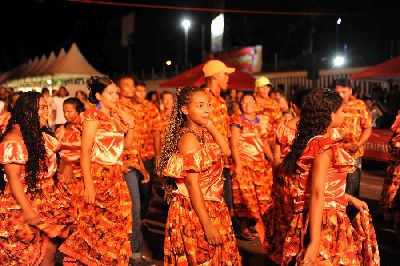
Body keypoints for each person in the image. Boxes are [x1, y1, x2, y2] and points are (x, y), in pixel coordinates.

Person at [280, 88, 379, 265]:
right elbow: (318, 193)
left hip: (321, 215)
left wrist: (349, 198)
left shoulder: (314, 141)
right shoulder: (323, 147)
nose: (345, 114)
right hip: (325, 220)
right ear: (330, 115)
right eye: (342, 110)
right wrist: (315, 242)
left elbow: (322, 187)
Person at [157, 86, 241, 265]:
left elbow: (226, 151)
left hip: (212, 203)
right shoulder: (189, 139)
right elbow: (191, 185)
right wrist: (208, 225)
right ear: (185, 110)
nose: (208, 110)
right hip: (196, 209)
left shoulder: (201, 132)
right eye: (201, 106)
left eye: (208, 105)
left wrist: (209, 124)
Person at [59, 76, 136, 265]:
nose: (115, 96)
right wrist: (89, 185)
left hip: (117, 177)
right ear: (98, 95)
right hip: (99, 175)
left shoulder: (117, 116)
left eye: (116, 92)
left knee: (117, 226)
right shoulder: (92, 116)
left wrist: (131, 125)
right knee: (97, 226)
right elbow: (84, 152)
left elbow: (127, 145)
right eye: (110, 93)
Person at [0, 92, 76, 265]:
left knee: (49, 251)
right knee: (30, 258)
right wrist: (27, 211)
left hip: (48, 203)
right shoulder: (13, 140)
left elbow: (59, 160)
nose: (46, 112)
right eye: (41, 108)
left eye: (46, 107)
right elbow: (13, 180)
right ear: (28, 112)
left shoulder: (41, 136)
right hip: (21, 204)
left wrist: (67, 168)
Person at [258, 88, 309, 264]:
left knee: (285, 221)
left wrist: (275, 182)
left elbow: (276, 160)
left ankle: (285, 255)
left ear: (293, 106)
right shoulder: (318, 128)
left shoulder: (284, 128)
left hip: (286, 181)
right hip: (309, 183)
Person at [117, 75, 152, 265]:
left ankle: (133, 252)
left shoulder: (132, 110)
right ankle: (132, 252)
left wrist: (143, 168)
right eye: (127, 85)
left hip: (133, 162)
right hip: (121, 165)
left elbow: (134, 143)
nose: (131, 88)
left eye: (132, 85)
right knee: (131, 208)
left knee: (135, 208)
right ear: (118, 89)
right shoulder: (115, 109)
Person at [230, 93, 273, 241]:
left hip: (260, 165)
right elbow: (234, 144)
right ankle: (242, 228)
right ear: (240, 105)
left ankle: (253, 226)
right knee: (246, 198)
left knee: (261, 198)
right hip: (244, 164)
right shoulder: (237, 120)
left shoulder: (262, 121)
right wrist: (238, 164)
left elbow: (265, 143)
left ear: (256, 104)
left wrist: (273, 159)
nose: (247, 104)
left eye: (250, 101)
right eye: (244, 101)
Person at [202, 59, 235, 210]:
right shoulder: (203, 98)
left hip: (223, 159)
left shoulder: (220, 100)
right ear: (215, 76)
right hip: (210, 161)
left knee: (225, 203)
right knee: (214, 203)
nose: (228, 77)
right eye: (225, 74)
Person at [335, 77, 372, 198]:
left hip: (353, 154)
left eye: (344, 92)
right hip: (334, 155)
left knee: (352, 189)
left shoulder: (359, 105)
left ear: (350, 91)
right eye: (338, 92)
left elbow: (367, 128)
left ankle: (351, 215)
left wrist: (359, 144)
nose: (340, 95)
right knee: (334, 189)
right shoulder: (331, 105)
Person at [132, 80, 162, 218]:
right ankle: (135, 220)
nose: (141, 94)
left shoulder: (151, 108)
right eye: (138, 91)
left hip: (147, 156)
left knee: (146, 191)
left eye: (143, 91)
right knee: (133, 191)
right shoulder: (126, 107)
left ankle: (142, 217)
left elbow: (156, 132)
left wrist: (158, 154)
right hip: (131, 157)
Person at [55, 97, 85, 197]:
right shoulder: (60, 130)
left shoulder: (84, 129)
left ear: (78, 111)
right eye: (64, 111)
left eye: (69, 111)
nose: (65, 114)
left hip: (80, 175)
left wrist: (71, 166)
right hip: (63, 175)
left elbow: (88, 152)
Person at [378, 111, 400, 222]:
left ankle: (392, 216)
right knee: (390, 188)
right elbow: (392, 142)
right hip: (395, 163)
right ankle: (386, 214)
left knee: (395, 190)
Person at [254, 76, 282, 144]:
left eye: (267, 87)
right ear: (256, 89)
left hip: (271, 140)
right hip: (255, 139)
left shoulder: (273, 103)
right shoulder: (251, 102)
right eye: (262, 87)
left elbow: (280, 121)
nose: (265, 89)